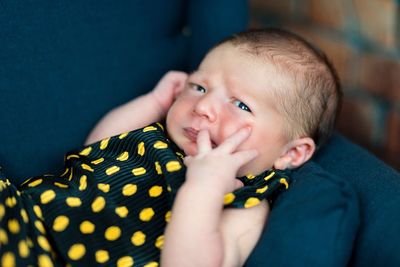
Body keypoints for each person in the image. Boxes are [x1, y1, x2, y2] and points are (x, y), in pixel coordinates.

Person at [0, 28, 341, 267]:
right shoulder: (160, 137)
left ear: (291, 153)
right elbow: (96, 150)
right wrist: (154, 102)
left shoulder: (245, 202)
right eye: (198, 86)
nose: (203, 106)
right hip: (24, 212)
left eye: (240, 105)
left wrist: (204, 186)